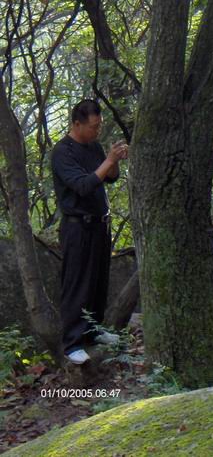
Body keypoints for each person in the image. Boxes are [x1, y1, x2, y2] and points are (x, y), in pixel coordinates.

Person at [51, 99, 128, 365]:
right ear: (77, 124)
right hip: (77, 226)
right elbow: (83, 185)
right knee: (77, 283)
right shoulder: (62, 152)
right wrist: (109, 160)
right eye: (94, 126)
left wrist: (114, 160)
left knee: (98, 281)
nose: (97, 131)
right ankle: (72, 343)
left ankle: (93, 330)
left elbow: (110, 177)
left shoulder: (94, 146)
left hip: (99, 223)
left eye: (100, 126)